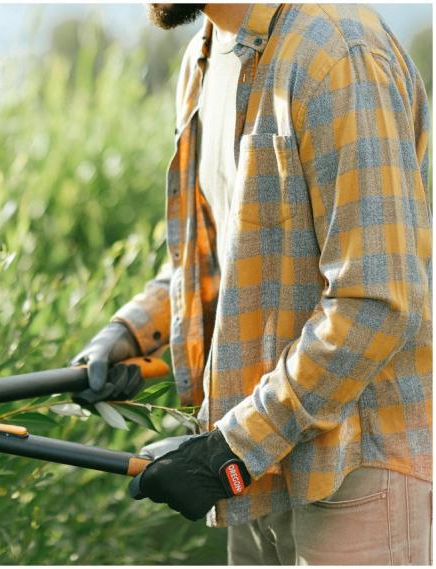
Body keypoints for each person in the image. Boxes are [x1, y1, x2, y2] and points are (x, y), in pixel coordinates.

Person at [71, 4, 432, 565]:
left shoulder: (336, 52)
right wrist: (133, 331)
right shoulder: (205, 56)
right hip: (261, 473)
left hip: (356, 473)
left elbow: (376, 300)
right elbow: (225, 258)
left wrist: (232, 449)